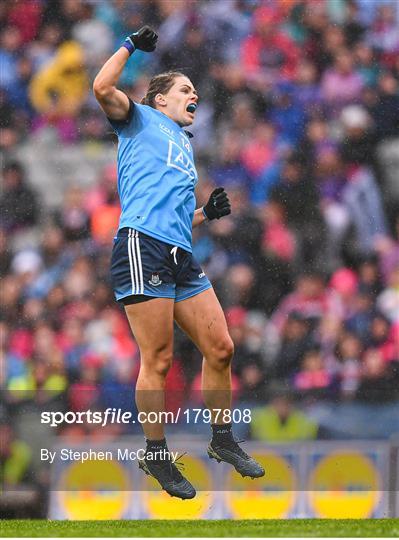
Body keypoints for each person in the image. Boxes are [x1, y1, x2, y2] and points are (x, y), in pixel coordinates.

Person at [93, 26, 264, 500]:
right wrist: (129, 44)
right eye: (186, 89)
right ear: (160, 99)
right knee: (160, 359)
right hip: (140, 246)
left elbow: (172, 217)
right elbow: (101, 88)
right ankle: (155, 452)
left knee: (222, 348)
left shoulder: (185, 145)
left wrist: (204, 216)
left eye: (195, 91)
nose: (195, 95)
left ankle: (223, 440)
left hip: (177, 251)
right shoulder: (139, 119)